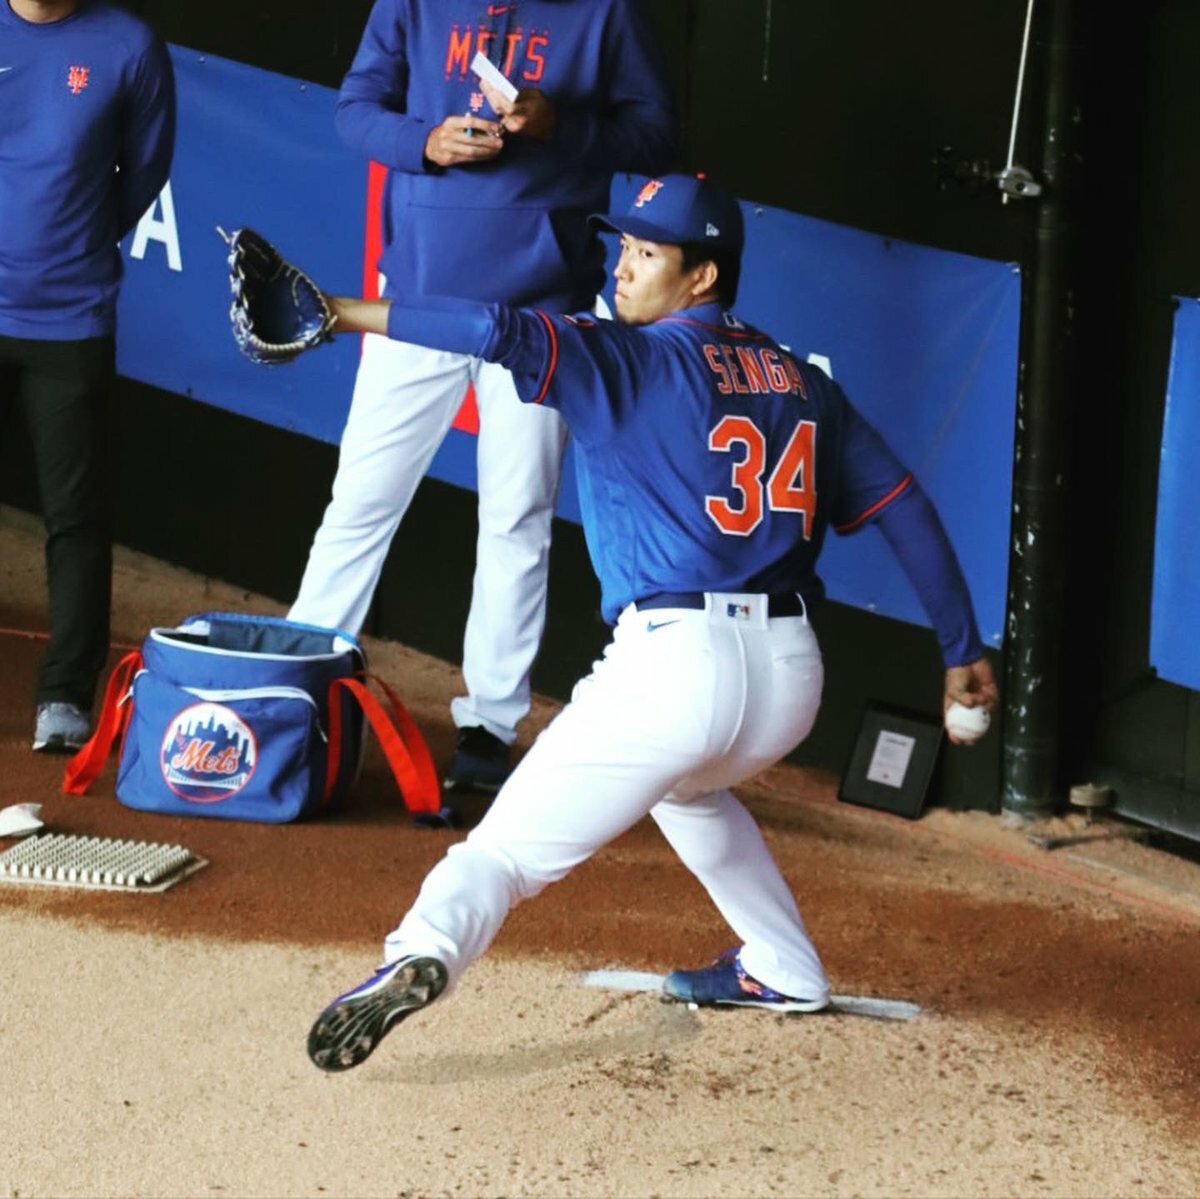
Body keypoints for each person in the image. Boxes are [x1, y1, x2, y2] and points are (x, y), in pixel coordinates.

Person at [294, 173, 999, 1072]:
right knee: (686, 788)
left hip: (675, 670)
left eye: (648, 253)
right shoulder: (800, 379)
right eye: (622, 247)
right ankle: (783, 964)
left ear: (702, 276)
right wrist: (960, 647)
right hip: (789, 680)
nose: (621, 268)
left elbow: (491, 327)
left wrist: (342, 312)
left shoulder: (624, 358)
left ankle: (420, 948)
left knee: (506, 853)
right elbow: (903, 505)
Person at [288, 0, 678, 794]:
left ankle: (489, 727)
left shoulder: (602, 10)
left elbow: (655, 136)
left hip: (542, 307)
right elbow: (355, 109)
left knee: (516, 517)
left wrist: (560, 126)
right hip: (420, 294)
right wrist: (424, 142)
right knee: (361, 499)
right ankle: (301, 690)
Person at [0, 0, 175, 752]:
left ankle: (65, 696)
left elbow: (145, 171)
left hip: (70, 317)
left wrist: (74, 240)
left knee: (75, 516)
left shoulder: (129, 48)